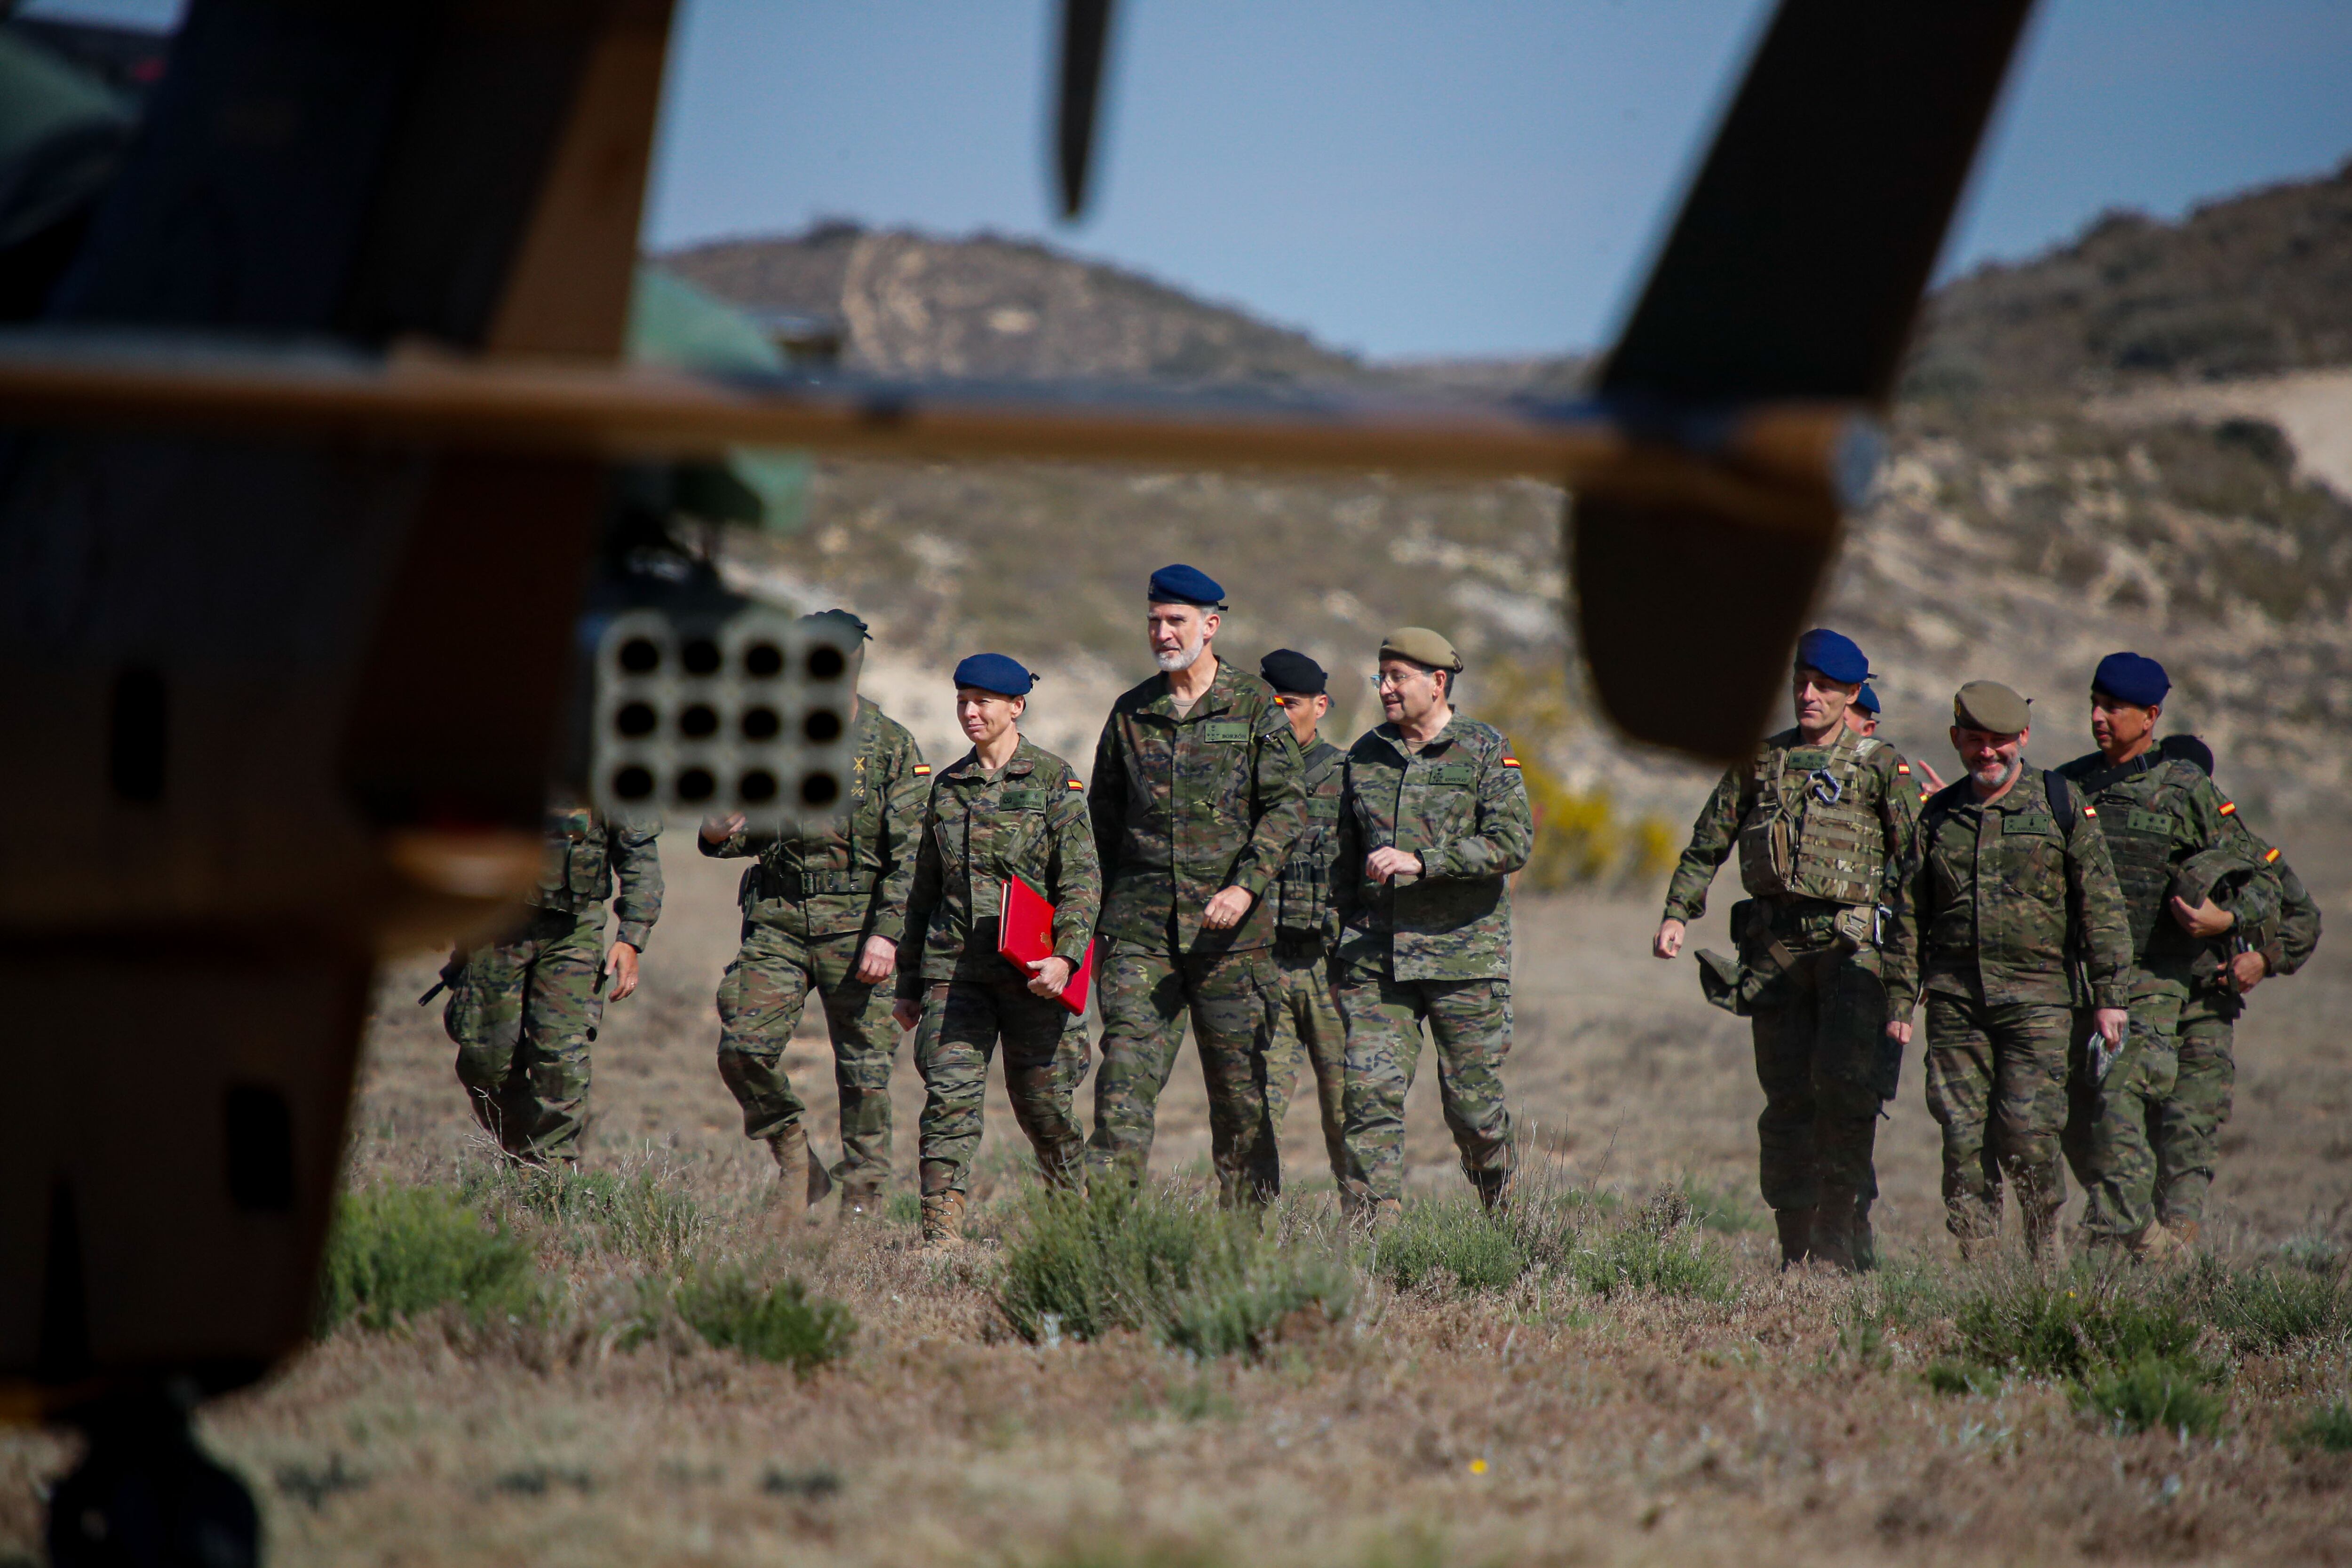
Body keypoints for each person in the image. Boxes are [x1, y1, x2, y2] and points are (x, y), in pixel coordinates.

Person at [1655, 629, 1918, 1270]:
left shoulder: (1882, 766)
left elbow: (1915, 869)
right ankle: (1794, 1245)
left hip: (1851, 954)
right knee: (1786, 1102)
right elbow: (1706, 839)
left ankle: (1840, 1238)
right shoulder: (1761, 759)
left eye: (1824, 687)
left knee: (1846, 1094)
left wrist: (1908, 975)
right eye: (1801, 681)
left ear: (1852, 693)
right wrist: (1677, 911)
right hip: (1774, 953)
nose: (1808, 695)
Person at [1883, 680, 2133, 1261]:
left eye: (1999, 741)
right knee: (1962, 1138)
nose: (1987, 753)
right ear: (1955, 740)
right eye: (1974, 741)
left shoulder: (2059, 804)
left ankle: (2045, 1253)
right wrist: (1899, 1000)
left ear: (2022, 737)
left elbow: (2100, 903)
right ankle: (1980, 1267)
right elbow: (1907, 915)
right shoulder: (1938, 817)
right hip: (1955, 1003)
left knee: (2027, 1134)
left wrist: (2109, 995)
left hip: (2039, 1002)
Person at [1085, 565, 1309, 1204]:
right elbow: (1100, 825)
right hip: (1138, 934)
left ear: (1211, 625)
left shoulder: (1253, 707)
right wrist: (1078, 926)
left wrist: (1245, 886)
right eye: (1153, 619)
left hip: (1231, 943)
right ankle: (1102, 1239)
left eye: (1175, 620)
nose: (1161, 632)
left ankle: (1245, 1247)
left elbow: (1288, 808)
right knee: (1120, 1089)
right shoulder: (1131, 712)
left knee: (1240, 1099)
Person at [2050, 653, 2280, 1258]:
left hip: (2153, 984)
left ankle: (2133, 1254)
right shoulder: (2066, 785)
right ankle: (2142, 1240)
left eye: (2114, 708)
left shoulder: (2185, 791)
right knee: (2071, 1124)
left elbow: (2263, 876)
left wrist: (2227, 919)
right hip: (2080, 981)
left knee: (2118, 1108)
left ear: (2151, 716)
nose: (2099, 718)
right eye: (2094, 704)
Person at [700, 609, 928, 1218]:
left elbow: (911, 857)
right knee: (741, 1047)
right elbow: (741, 831)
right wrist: (720, 830)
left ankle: (863, 1207)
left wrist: (887, 934)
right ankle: (796, 1156)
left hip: (859, 927)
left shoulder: (890, 745)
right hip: (779, 916)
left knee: (865, 1072)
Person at [894, 654, 1099, 1243]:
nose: (970, 711)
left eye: (983, 700)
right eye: (962, 699)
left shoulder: (1053, 781)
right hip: (956, 974)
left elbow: (1082, 882)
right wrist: (908, 985)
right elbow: (923, 890)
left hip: (1035, 976)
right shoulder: (947, 787)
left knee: (1045, 1108)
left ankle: (1071, 1221)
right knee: (948, 1101)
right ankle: (941, 1235)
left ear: (1016, 707)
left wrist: (1066, 958)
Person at [1332, 627, 1533, 1219]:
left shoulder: (1484, 749)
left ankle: (1505, 1206)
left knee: (1471, 1109)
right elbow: (1343, 860)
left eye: (1397, 678)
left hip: (1463, 958)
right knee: (1368, 1096)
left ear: (1437, 682)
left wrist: (1424, 863)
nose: (1385, 689)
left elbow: (1513, 842)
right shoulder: (1365, 755)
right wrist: (1336, 943)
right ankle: (1374, 1238)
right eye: (1381, 677)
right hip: (1376, 959)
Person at [2141, 736, 2323, 1245]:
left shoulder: (2241, 852)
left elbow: (2303, 917)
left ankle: (2174, 1251)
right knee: (2124, 1139)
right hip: (2135, 1009)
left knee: (2186, 1134)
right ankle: (2129, 1251)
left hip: (2202, 1010)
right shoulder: (2130, 845)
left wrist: (2261, 960)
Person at [443, 800, 662, 1166]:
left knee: (563, 1059)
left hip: (573, 930)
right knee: (484, 1063)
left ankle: (549, 1173)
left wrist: (631, 938)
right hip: (495, 924)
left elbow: (639, 854)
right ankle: (526, 1152)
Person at [1259, 648, 1350, 1187]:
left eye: (1289, 704)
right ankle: (1241, 1242)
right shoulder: (1245, 777)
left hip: (1330, 970)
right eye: (1270, 703)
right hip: (1264, 966)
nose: (1278, 714)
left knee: (1349, 1114)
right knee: (1253, 1114)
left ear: (1319, 706)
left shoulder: (1348, 777)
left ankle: (1368, 1245)